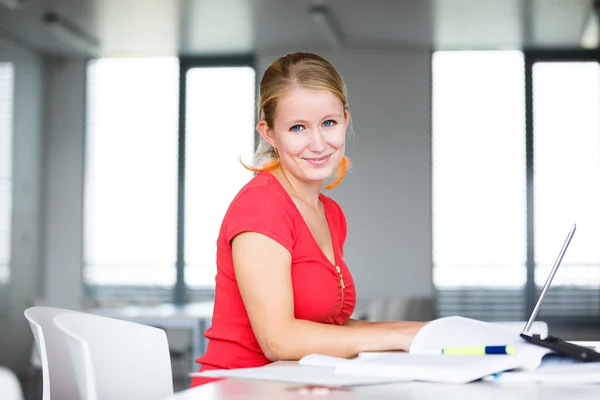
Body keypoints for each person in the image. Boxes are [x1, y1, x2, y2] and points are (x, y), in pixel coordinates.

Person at [190, 52, 428, 387]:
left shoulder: (330, 213)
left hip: (292, 385)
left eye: (328, 123)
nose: (318, 144)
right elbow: (279, 341)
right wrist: (399, 335)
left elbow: (324, 329)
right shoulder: (261, 205)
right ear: (269, 133)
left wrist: (420, 333)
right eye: (298, 127)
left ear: (345, 120)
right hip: (237, 387)